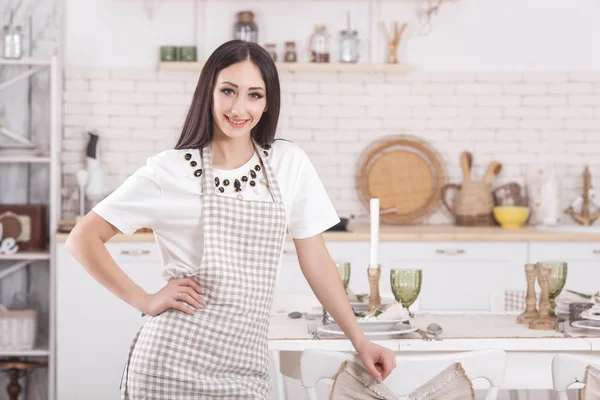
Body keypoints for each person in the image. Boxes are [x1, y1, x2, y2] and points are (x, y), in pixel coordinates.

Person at [65, 39, 396, 399]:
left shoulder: (289, 164)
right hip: (170, 365)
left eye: (254, 95)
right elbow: (82, 238)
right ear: (208, 91)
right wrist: (145, 300)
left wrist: (360, 339)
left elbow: (315, 259)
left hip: (246, 367)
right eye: (228, 91)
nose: (240, 108)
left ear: (268, 103)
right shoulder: (169, 170)